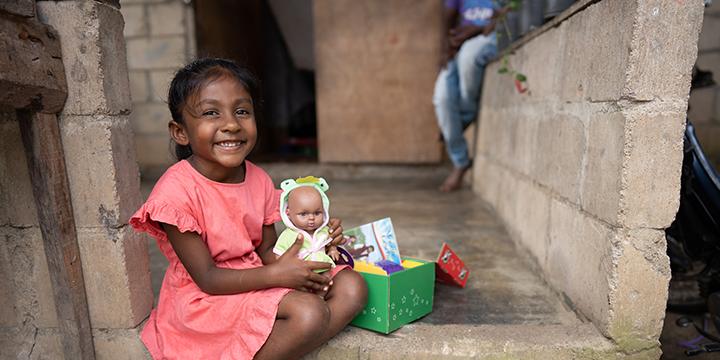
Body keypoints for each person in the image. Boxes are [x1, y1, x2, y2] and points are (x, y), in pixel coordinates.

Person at [129, 58, 368, 360]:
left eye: (242, 111)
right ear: (180, 132)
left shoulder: (258, 178)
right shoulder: (176, 192)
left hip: (258, 275)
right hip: (207, 298)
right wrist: (280, 277)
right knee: (309, 314)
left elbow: (266, 250)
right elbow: (208, 279)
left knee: (352, 287)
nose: (231, 124)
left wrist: (314, 243)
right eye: (211, 113)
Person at [434, 0, 501, 192]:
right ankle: (461, 158)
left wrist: (480, 29)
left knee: (469, 58)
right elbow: (447, 19)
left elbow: (515, 9)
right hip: (460, 43)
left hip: (489, 36)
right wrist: (445, 47)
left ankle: (456, 126)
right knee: (442, 99)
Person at [273, 176, 341, 273]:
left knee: (332, 277)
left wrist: (333, 250)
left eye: (317, 213)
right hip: (301, 271)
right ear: (288, 214)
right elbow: (279, 255)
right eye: (303, 214)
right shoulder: (289, 235)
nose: (311, 218)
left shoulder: (324, 230)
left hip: (325, 267)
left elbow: (330, 243)